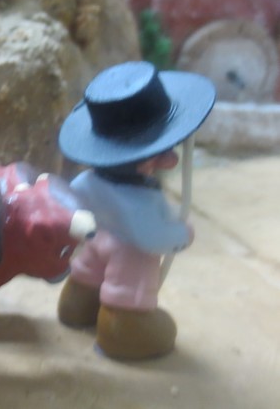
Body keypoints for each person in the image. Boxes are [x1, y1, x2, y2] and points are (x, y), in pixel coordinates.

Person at [57, 60, 215, 360]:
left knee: (88, 272)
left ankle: (78, 304)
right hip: (128, 253)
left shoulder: (87, 181)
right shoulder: (138, 201)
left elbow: (72, 201)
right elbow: (151, 237)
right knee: (132, 281)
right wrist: (182, 234)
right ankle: (124, 326)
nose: (169, 158)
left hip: (96, 240)